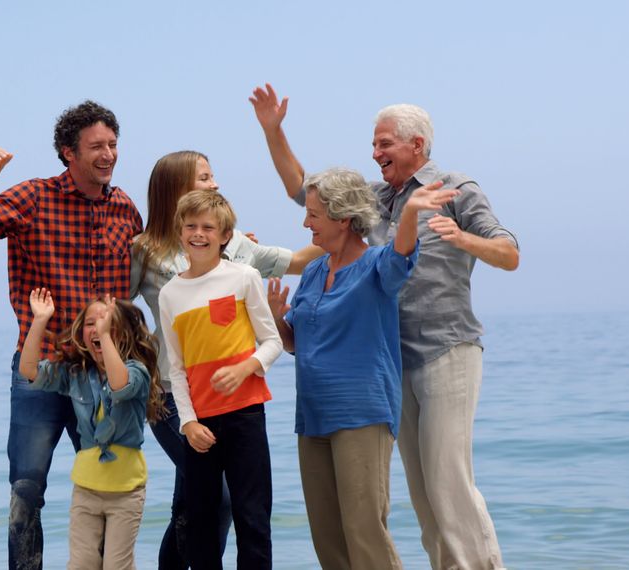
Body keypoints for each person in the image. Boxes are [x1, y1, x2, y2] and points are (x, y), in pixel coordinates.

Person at [252, 83, 520, 570]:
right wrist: (274, 130)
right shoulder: (373, 201)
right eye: (373, 145)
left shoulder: (456, 189)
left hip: (446, 348)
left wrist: (461, 237)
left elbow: (509, 253)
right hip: (390, 359)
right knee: (422, 491)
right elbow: (303, 189)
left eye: (384, 144)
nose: (374, 153)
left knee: (447, 479)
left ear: (417, 144)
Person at [0, 101, 143, 570]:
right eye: (97, 146)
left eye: (113, 145)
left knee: (108, 484)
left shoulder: (126, 208)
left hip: (101, 377)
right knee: (27, 487)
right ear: (67, 153)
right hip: (43, 368)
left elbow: (154, 272)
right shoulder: (33, 198)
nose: (108, 154)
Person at [130, 150, 319, 568]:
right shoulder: (143, 250)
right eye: (204, 177)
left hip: (237, 397)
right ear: (175, 189)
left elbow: (298, 261)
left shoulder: (234, 244)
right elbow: (113, 306)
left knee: (213, 501)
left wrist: (342, 227)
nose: (214, 184)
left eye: (212, 177)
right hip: (172, 396)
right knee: (206, 499)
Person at [268, 167, 457, 568]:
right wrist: (276, 319)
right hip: (312, 417)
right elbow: (299, 345)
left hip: (362, 414)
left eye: (314, 215)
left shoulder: (377, 267)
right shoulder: (316, 270)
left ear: (343, 218)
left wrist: (410, 216)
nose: (306, 222)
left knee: (364, 529)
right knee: (327, 536)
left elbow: (402, 254)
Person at [158, 190, 284, 569]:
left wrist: (246, 368)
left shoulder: (243, 277)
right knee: (200, 522)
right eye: (191, 226)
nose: (199, 234)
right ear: (180, 232)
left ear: (225, 235)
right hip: (200, 426)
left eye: (208, 227)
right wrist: (188, 421)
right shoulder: (170, 294)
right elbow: (176, 369)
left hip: (246, 416)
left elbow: (272, 342)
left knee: (252, 519)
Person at [18, 291, 164, 569]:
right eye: (90, 323)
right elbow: (29, 371)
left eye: (106, 321)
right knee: (82, 563)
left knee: (116, 566)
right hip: (86, 490)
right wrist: (39, 321)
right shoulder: (76, 373)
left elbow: (120, 386)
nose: (97, 327)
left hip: (127, 492)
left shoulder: (138, 371)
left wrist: (105, 335)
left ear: (123, 332)